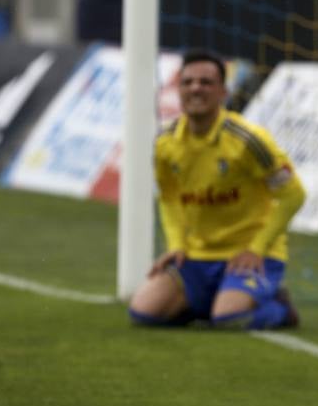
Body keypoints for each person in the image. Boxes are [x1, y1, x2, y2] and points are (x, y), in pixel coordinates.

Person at [127, 50, 305, 331]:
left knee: (230, 319)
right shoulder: (164, 142)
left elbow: (293, 194)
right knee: (144, 312)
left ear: (223, 91)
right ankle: (209, 301)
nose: (196, 88)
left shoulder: (247, 140)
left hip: (250, 256)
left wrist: (256, 248)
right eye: (188, 82)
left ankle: (280, 308)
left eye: (206, 82)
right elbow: (169, 197)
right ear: (178, 90)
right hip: (197, 257)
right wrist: (176, 246)